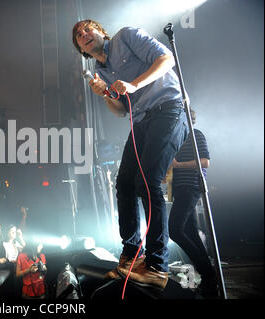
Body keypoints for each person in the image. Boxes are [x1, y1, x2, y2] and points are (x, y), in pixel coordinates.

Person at [73, 20, 189, 289]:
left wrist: (135, 84)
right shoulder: (101, 70)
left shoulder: (126, 36)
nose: (84, 34)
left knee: (148, 182)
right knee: (124, 184)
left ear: (101, 32)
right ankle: (132, 256)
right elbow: (121, 110)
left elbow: (166, 58)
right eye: (79, 36)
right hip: (142, 121)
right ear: (81, 49)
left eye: (87, 29)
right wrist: (105, 94)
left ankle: (158, 267)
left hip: (168, 109)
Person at [168, 110, 218, 297]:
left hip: (192, 186)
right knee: (191, 233)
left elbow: (205, 162)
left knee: (174, 229)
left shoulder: (196, 135)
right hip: (181, 189)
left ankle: (208, 272)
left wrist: (178, 165)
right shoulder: (176, 138)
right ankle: (209, 280)